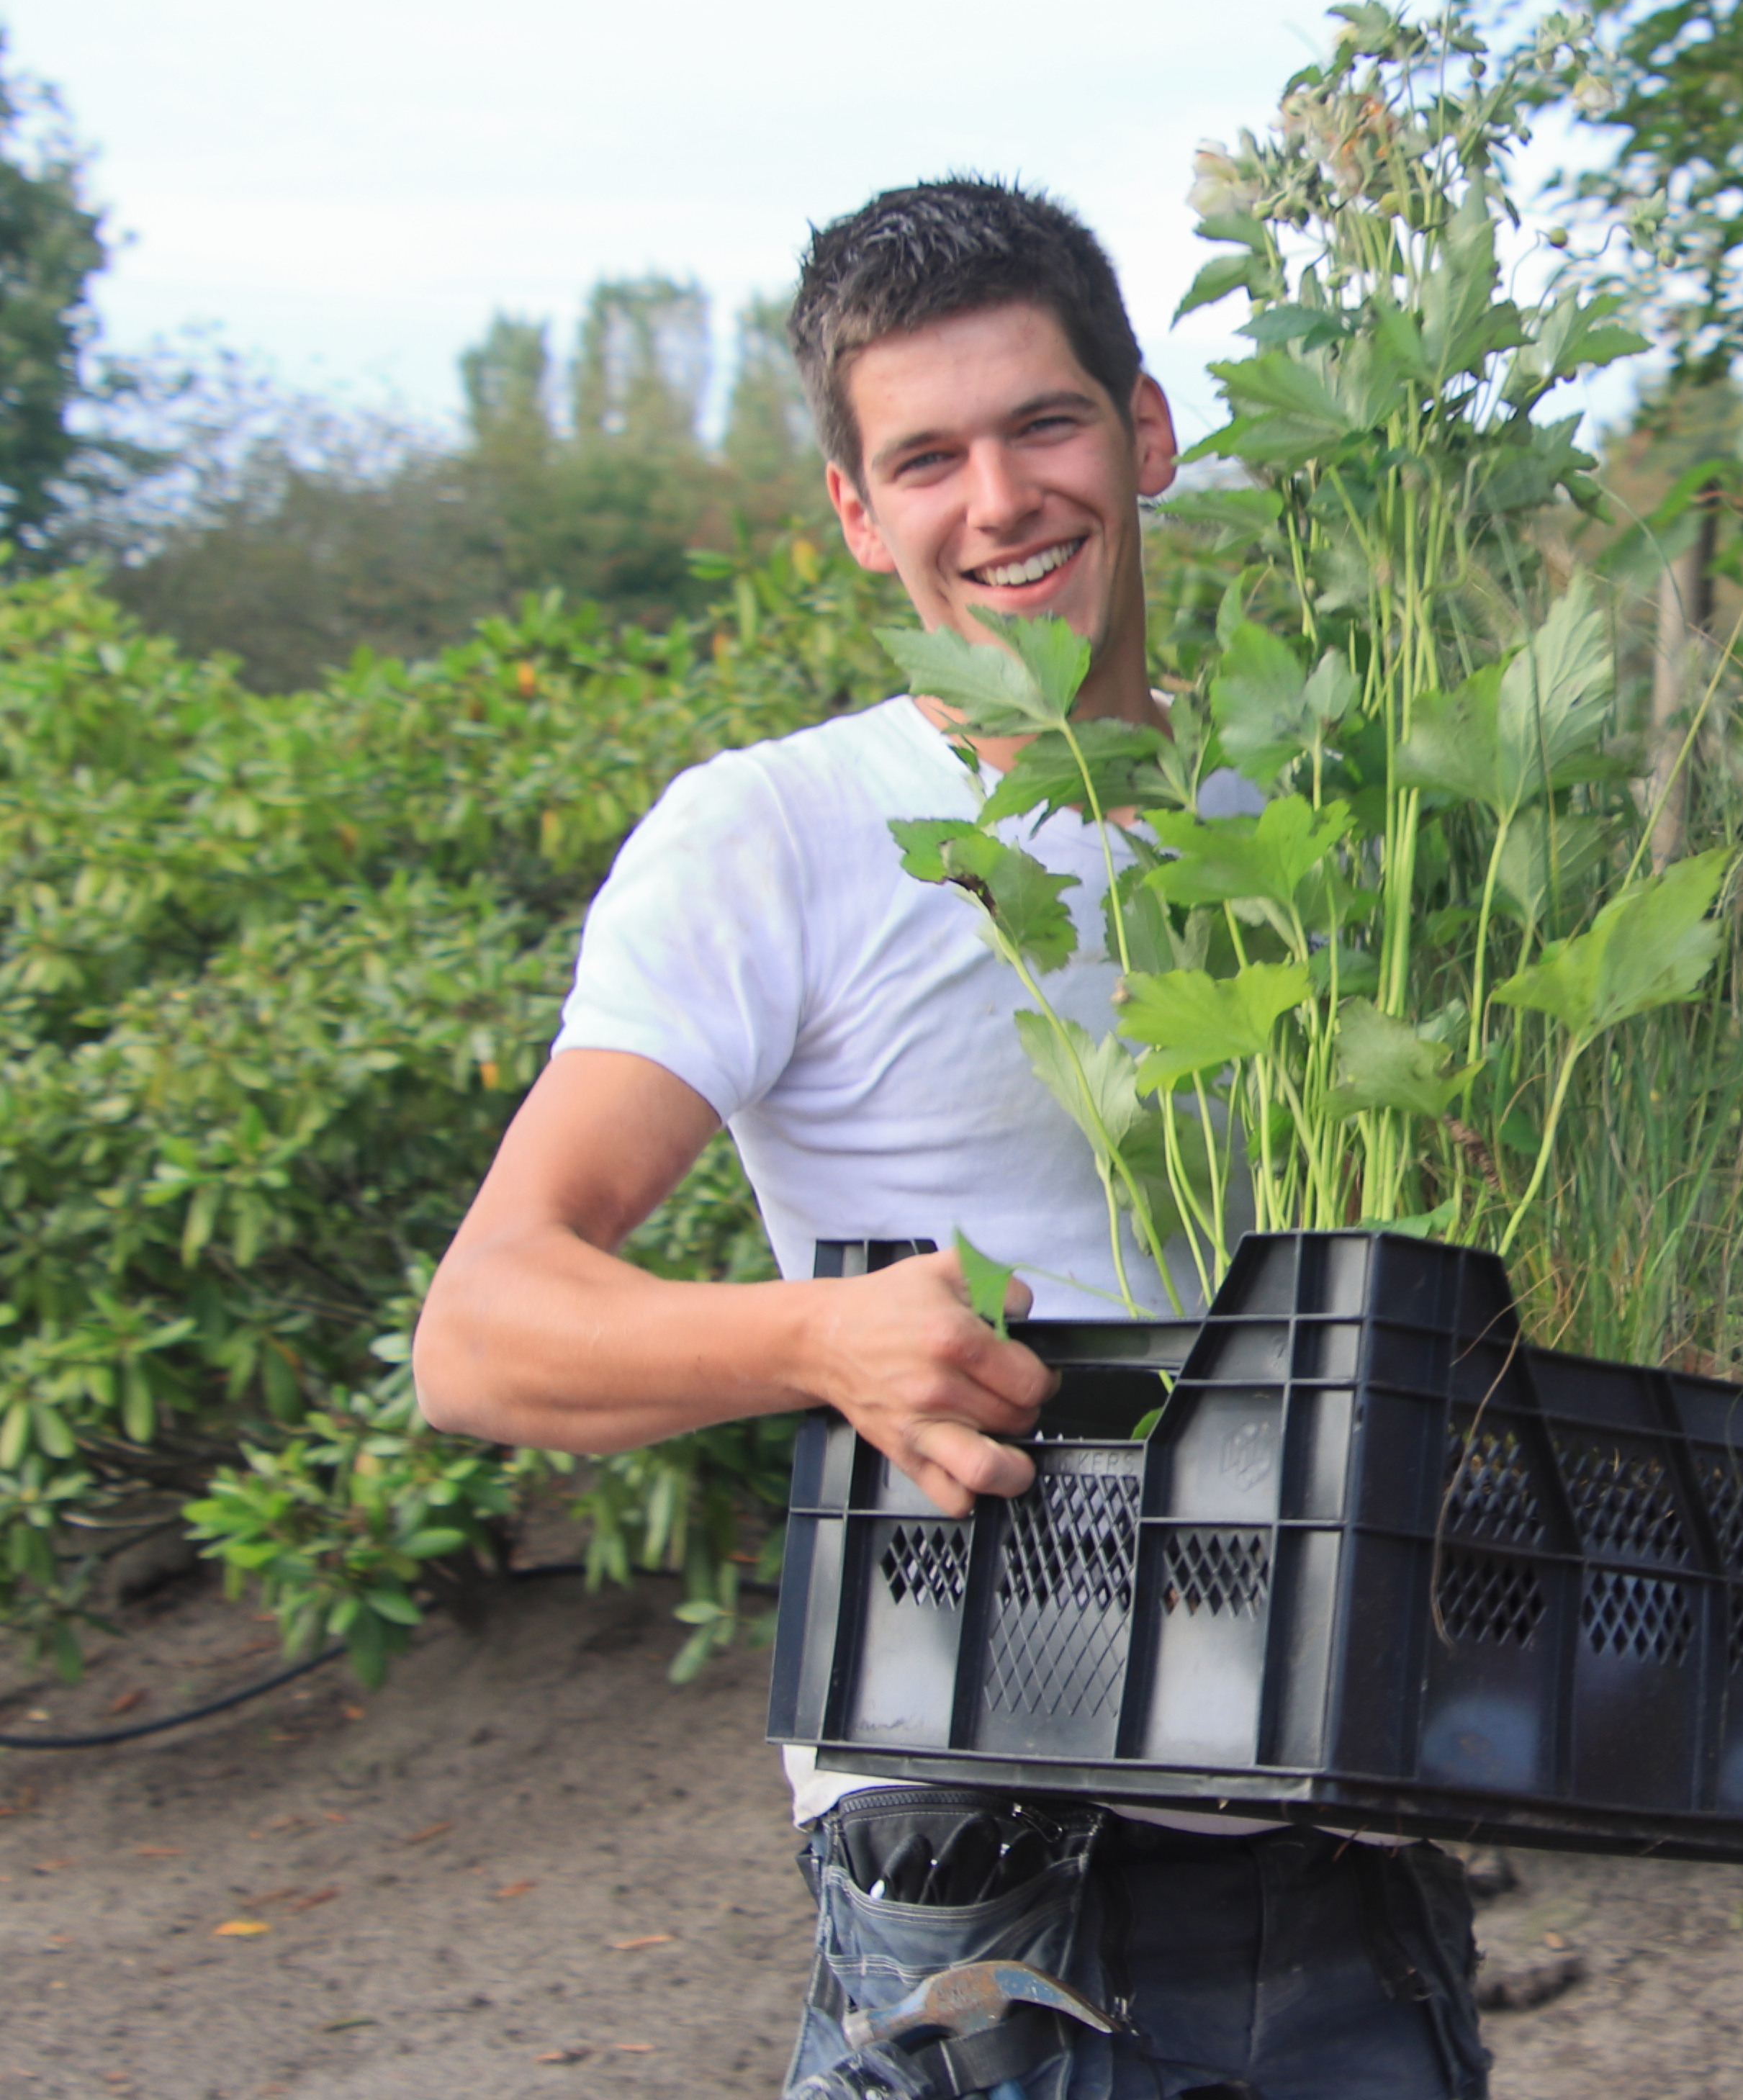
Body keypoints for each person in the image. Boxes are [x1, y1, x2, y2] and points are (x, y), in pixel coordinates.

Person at [413, 179, 1490, 2100]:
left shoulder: (1325, 820)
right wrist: (817, 1338)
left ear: (1145, 432)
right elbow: (483, 1332)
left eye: (1044, 425)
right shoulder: (777, 830)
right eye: (926, 459)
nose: (998, 501)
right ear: (858, 512)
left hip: (1347, 1830)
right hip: (985, 1846)